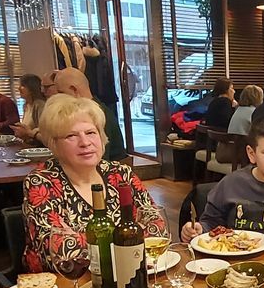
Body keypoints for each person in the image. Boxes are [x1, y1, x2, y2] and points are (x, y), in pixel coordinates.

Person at [21, 95, 162, 273]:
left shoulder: (120, 174)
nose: (85, 143)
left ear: (101, 137)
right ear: (54, 144)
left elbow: (157, 226)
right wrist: (130, 236)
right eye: (71, 136)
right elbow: (56, 253)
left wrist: (85, 239)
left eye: (90, 132)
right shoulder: (42, 182)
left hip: (127, 274)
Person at [50, 67, 125, 161]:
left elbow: (96, 160)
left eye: (61, 92)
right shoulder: (93, 111)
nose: (58, 97)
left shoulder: (96, 115)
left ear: (74, 90)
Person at [11, 73, 48, 143]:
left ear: (31, 88)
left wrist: (28, 132)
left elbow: (43, 131)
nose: (19, 88)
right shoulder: (25, 105)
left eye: (22, 85)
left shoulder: (39, 105)